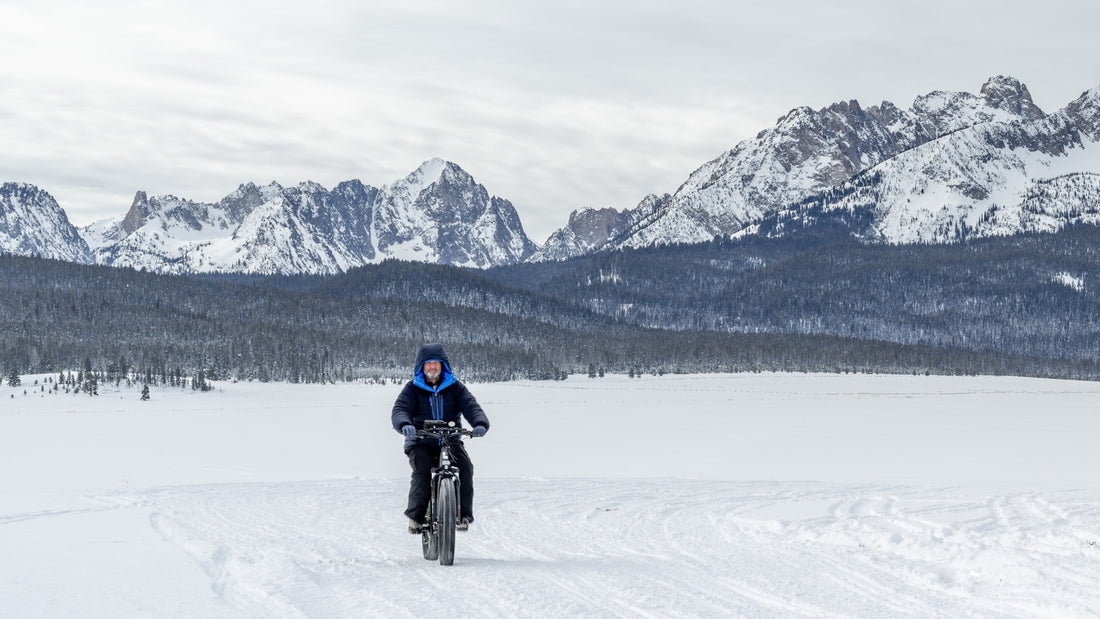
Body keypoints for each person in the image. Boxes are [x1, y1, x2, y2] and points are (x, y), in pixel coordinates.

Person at [391, 343, 489, 533]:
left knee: (465, 468)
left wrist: (480, 423)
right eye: (428, 364)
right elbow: (400, 410)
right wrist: (405, 425)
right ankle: (416, 519)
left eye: (436, 363)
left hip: (450, 439)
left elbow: (471, 406)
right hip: (420, 440)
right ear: (421, 367)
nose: (433, 367)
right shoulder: (412, 388)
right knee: (423, 471)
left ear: (443, 365)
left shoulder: (455, 387)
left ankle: (463, 516)